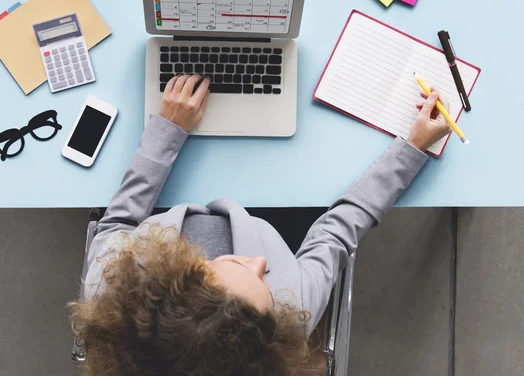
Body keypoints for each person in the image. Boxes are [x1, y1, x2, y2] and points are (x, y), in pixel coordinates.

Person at [70, 74, 451, 376]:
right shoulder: (290, 311)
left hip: (165, 206)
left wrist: (166, 130)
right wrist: (412, 148)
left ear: (177, 276)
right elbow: (337, 231)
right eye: (264, 287)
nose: (260, 263)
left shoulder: (114, 279)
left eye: (233, 265)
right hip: (271, 218)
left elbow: (119, 219)